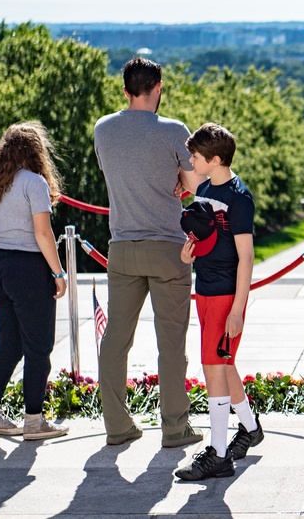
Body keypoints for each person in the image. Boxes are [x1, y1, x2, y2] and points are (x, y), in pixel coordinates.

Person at [94, 57, 205, 447]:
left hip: (121, 246)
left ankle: (117, 426)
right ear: (158, 87)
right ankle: (175, 428)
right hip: (168, 248)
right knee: (171, 343)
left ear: (125, 91)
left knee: (116, 341)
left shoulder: (103, 129)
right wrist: (178, 177)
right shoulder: (174, 130)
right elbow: (193, 182)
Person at [174, 123, 262, 481]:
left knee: (213, 366)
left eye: (195, 156)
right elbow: (208, 237)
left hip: (227, 294)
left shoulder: (239, 197)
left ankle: (219, 454)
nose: (190, 160)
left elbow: (247, 257)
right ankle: (251, 429)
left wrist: (238, 310)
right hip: (205, 289)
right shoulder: (205, 188)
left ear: (214, 159)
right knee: (223, 366)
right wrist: (188, 255)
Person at [0, 122, 69, 440]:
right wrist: (58, 273)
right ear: (35, 151)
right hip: (30, 268)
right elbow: (44, 234)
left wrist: (6, 227)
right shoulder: (35, 183)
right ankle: (34, 420)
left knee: (9, 344)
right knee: (38, 347)